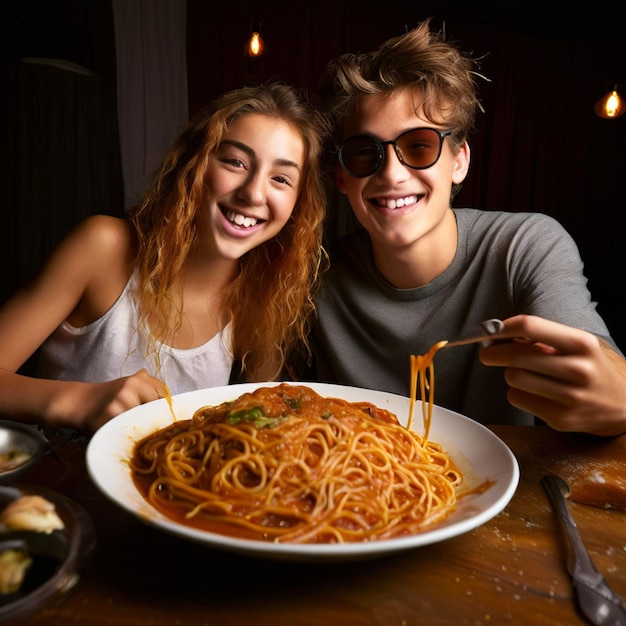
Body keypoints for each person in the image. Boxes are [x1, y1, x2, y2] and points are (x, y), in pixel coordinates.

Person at [308, 20, 626, 437]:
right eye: (365, 154)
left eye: (418, 145)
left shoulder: (524, 246)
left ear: (459, 161)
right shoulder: (317, 278)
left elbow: (595, 354)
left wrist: (616, 395)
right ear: (343, 178)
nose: (392, 174)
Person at [0, 81, 329, 433]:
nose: (252, 192)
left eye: (281, 178)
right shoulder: (103, 247)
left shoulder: (263, 295)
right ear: (195, 164)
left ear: (297, 205)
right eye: (235, 162)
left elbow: (265, 426)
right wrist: (80, 401)